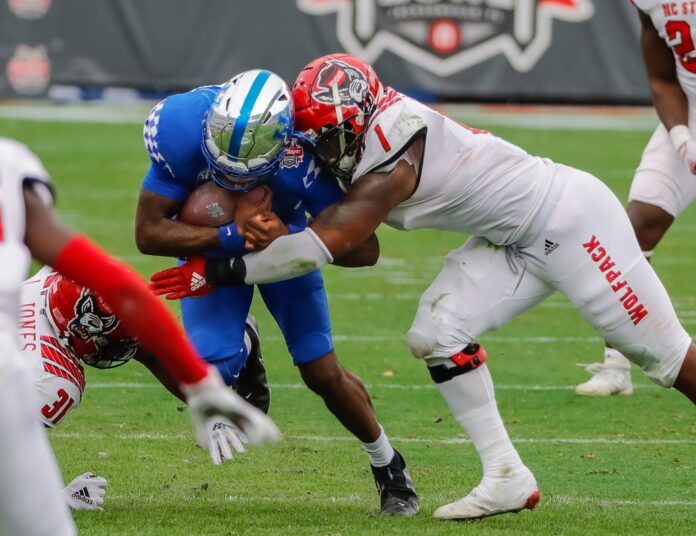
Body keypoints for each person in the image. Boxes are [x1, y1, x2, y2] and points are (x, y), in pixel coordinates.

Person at [150, 54, 696, 520]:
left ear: (358, 120)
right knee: (436, 332)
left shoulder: (393, 155)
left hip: (571, 223)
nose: (319, 150)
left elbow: (324, 247)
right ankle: (506, 474)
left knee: (670, 361)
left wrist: (216, 271)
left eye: (329, 138)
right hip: (512, 239)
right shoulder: (363, 122)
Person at [136, 70, 418, 515]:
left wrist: (290, 232)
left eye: (242, 177)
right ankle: (244, 349)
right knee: (209, 372)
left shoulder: (301, 157)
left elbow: (366, 249)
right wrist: (232, 235)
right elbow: (148, 233)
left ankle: (389, 467)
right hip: (217, 257)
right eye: (221, 171)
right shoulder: (179, 126)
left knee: (320, 371)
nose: (230, 182)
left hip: (286, 254)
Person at [0, 137, 279, 535]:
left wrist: (201, 389)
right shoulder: (52, 375)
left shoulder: (51, 290)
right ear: (78, 329)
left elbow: (145, 347)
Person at [18, 267, 261, 511]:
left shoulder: (54, 284)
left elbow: (151, 354)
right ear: (81, 329)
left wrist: (211, 400)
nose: (122, 348)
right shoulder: (50, 377)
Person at [577, 1, 696, 395]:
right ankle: (616, 366)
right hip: (690, 114)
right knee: (633, 229)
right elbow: (663, 78)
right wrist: (681, 138)